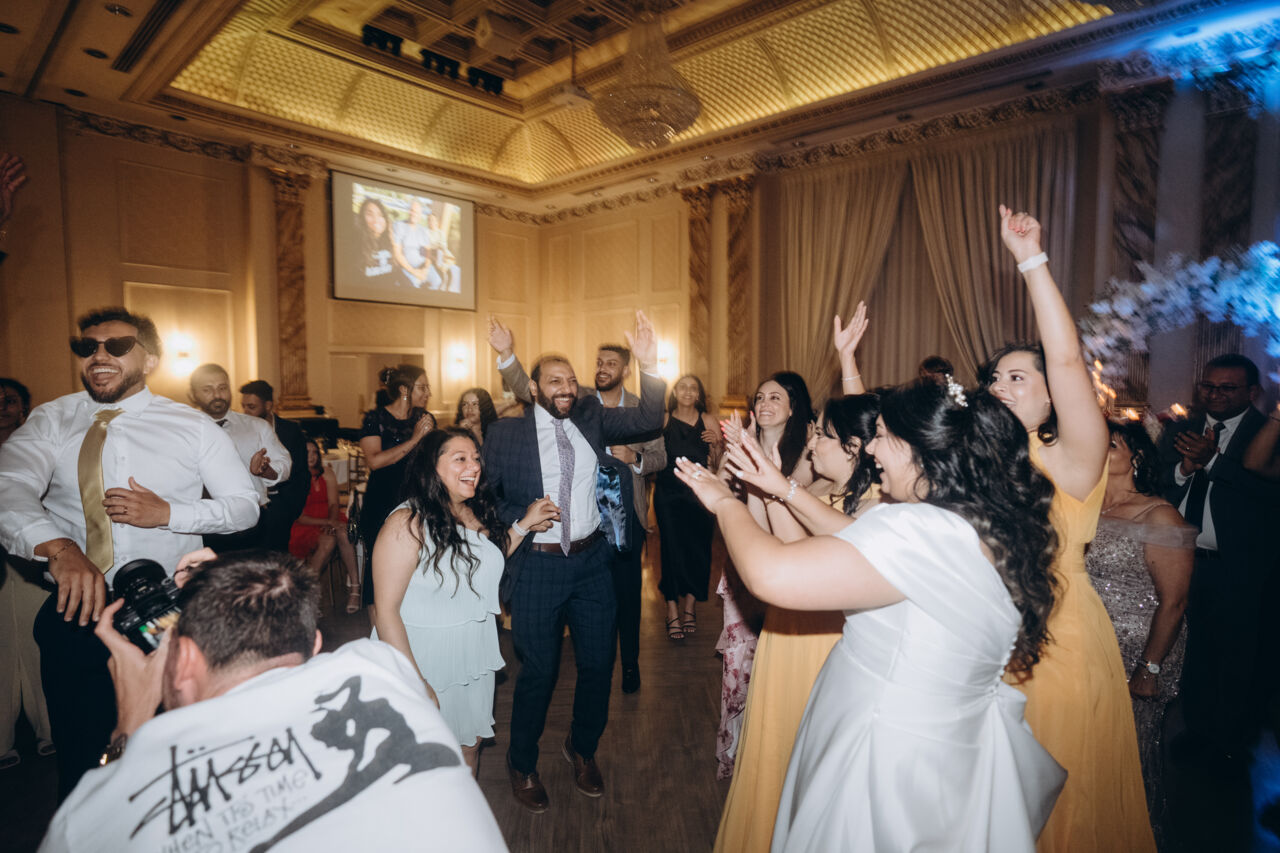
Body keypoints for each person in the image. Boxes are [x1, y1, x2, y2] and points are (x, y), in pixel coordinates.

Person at [673, 378, 1066, 851]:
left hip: (886, 751)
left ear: (919, 446)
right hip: (946, 741)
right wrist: (779, 487)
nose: (872, 448)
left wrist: (722, 501)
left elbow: (770, 575)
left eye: (880, 435)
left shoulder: (920, 530)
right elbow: (854, 537)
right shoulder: (971, 522)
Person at [39, 549, 508, 852]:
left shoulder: (88, 823)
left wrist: (130, 724)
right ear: (316, 644)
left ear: (185, 660)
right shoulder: (378, 667)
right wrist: (238, 585)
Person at [0, 307, 258, 798]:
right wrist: (58, 547)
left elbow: (244, 506)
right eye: (88, 347)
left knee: (174, 751)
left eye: (116, 346)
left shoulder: (192, 426)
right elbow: (7, 484)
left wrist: (169, 513)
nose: (99, 356)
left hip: (166, 612)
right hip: (76, 612)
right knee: (82, 760)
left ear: (151, 359)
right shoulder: (53, 419)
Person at [981, 207, 1153, 853]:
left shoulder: (1072, 459)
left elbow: (1066, 357)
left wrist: (1031, 260)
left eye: (1017, 377)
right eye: (994, 378)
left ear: (1052, 394)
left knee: (1060, 802)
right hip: (986, 632)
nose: (1000, 387)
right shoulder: (982, 463)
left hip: (1060, 636)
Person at [481, 311, 665, 813]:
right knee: (539, 672)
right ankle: (522, 762)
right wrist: (522, 517)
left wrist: (649, 364)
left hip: (591, 563)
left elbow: (650, 419)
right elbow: (485, 498)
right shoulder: (506, 434)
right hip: (538, 568)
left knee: (598, 664)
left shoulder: (591, 417)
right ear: (533, 388)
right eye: (554, 381)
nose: (565, 388)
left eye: (570, 380)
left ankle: (582, 749)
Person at [712, 392, 881, 853]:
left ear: (853, 446)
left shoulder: (874, 507)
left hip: (823, 640)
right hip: (785, 628)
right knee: (774, 751)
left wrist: (751, 494)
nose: (810, 443)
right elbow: (779, 542)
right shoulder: (820, 489)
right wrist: (758, 486)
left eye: (820, 434)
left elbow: (796, 559)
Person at [371, 427, 557, 774]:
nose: (474, 467)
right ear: (431, 467)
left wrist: (524, 525)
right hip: (421, 657)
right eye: (460, 459)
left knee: (469, 747)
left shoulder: (473, 513)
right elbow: (385, 612)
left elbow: (484, 560)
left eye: (475, 458)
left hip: (471, 656)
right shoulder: (406, 523)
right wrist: (416, 682)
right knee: (422, 759)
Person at [1157, 353, 1280, 848]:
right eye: (1208, 386)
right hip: (1183, 560)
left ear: (1251, 392)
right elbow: (1156, 485)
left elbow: (1269, 496)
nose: (1214, 395)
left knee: (1238, 656)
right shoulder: (1179, 428)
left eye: (1227, 388)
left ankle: (1232, 745)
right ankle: (1198, 730)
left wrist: (1215, 464)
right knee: (1193, 652)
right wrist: (1184, 470)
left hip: (1241, 566)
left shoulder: (1267, 432)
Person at [1086, 418, 1195, 848]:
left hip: (1138, 649)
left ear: (1137, 456)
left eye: (1111, 445)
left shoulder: (1159, 514)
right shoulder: (1083, 508)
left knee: (1127, 752)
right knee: (1088, 745)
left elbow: (1175, 602)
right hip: (1089, 643)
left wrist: (1149, 668)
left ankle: (1130, 835)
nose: (1100, 449)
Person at [713, 370, 816, 780]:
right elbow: (717, 496)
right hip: (742, 568)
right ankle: (741, 754)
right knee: (741, 665)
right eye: (760, 397)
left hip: (789, 569)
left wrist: (754, 462)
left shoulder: (807, 455)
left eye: (776, 397)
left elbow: (782, 517)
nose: (765, 403)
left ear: (793, 408)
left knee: (776, 668)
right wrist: (731, 457)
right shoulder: (740, 449)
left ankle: (776, 754)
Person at [0, 378, 54, 770]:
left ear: (24, 408)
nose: (2, 406)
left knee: (37, 642)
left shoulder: (38, 448)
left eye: (10, 400)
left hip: (32, 558)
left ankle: (49, 730)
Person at [188, 363, 292, 551]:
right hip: (203, 521)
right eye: (207, 389)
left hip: (252, 521)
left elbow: (284, 466)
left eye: (222, 388)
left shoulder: (256, 426)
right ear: (193, 394)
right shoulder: (185, 430)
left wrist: (265, 470)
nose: (217, 395)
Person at [359, 365, 435, 610]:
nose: (428, 393)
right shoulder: (375, 419)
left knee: (416, 562)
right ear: (404, 390)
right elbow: (374, 461)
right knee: (379, 565)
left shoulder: (424, 419)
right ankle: (378, 626)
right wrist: (415, 439)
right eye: (422, 387)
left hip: (415, 498)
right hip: (381, 499)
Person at [654, 374, 721, 640]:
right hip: (668, 494)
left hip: (700, 494)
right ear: (675, 392)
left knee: (698, 550)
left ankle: (690, 607)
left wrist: (716, 444)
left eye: (694, 388)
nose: (688, 391)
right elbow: (653, 455)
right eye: (683, 387)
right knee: (670, 550)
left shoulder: (709, 420)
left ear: (699, 394)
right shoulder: (664, 420)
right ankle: (671, 609)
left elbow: (717, 464)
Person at [289, 440, 361, 613]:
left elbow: (334, 504)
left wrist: (332, 520)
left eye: (314, 452)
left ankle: (355, 588)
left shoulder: (327, 472)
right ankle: (308, 593)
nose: (311, 456)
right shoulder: (294, 476)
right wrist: (328, 523)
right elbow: (299, 517)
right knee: (328, 541)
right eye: (307, 452)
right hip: (306, 523)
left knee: (343, 533)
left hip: (330, 518)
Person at [240, 379, 310, 551]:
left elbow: (301, 472)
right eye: (244, 407)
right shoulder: (240, 430)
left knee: (278, 556)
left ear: (268, 405)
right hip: (253, 505)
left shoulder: (291, 431)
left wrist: (293, 507)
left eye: (251, 407)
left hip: (282, 504)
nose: (245, 413)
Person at [392, 198, 441, 290]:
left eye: (417, 212)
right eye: (412, 210)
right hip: (407, 267)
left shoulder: (423, 230)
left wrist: (425, 269)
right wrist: (415, 272)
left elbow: (428, 253)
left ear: (420, 215)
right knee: (414, 285)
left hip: (423, 265)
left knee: (437, 281)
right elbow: (398, 254)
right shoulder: (399, 226)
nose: (413, 214)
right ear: (409, 211)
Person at [357, 197, 397, 287]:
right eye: (369, 214)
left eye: (380, 215)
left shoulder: (389, 242)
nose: (376, 219)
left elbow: (396, 272)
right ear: (362, 218)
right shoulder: (356, 244)